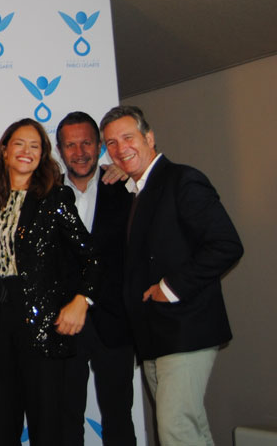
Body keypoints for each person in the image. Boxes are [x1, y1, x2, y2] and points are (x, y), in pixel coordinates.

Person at [100, 106, 242, 446]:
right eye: (111, 143)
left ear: (149, 138)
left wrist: (171, 287)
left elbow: (226, 245)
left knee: (176, 428)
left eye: (128, 138)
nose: (120, 149)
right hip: (154, 335)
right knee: (189, 429)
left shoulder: (183, 179)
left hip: (185, 328)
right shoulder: (137, 191)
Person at [0, 118, 99, 446]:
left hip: (40, 323)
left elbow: (91, 257)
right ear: (4, 150)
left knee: (47, 428)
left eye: (35, 146)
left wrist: (81, 300)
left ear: (43, 155)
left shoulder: (56, 198)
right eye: (19, 143)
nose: (26, 151)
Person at [55, 112, 136, 446]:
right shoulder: (46, 194)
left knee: (119, 419)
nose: (79, 152)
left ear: (99, 146)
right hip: (64, 323)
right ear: (60, 150)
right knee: (65, 421)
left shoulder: (125, 188)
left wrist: (129, 174)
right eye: (70, 145)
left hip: (115, 321)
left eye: (86, 143)